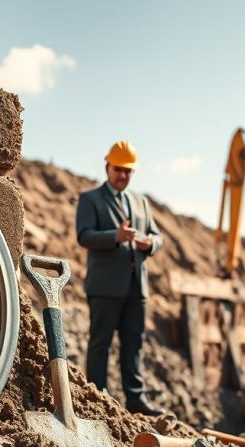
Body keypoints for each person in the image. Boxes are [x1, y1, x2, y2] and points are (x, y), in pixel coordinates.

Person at [75, 141, 165, 416]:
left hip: (136, 287)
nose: (122, 175)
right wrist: (115, 236)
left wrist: (149, 244)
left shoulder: (142, 202)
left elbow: (158, 236)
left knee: (133, 343)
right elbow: (84, 236)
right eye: (118, 170)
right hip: (105, 287)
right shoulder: (90, 199)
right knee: (100, 342)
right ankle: (97, 395)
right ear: (107, 167)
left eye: (128, 171)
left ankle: (135, 399)